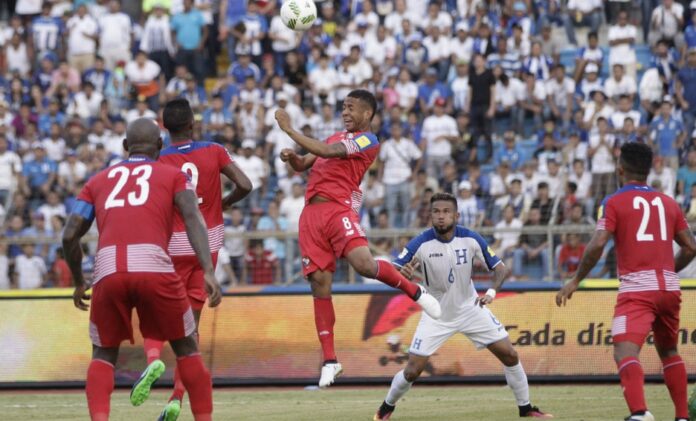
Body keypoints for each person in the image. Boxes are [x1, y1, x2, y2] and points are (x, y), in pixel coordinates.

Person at [274, 89, 441, 388]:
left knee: (364, 264)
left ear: (367, 114)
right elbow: (304, 164)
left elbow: (329, 153)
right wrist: (292, 158)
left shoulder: (368, 140)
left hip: (338, 209)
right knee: (319, 285)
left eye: (351, 107)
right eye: (343, 107)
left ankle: (414, 290)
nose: (345, 112)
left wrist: (289, 130)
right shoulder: (333, 137)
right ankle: (330, 361)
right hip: (311, 215)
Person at [61, 118, 222, 421]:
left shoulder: (97, 181)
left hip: (108, 268)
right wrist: (208, 270)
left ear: (125, 146)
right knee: (187, 347)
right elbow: (192, 217)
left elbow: (69, 235)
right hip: (154, 265)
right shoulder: (174, 176)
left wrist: (80, 281)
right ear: (160, 145)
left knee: (103, 354)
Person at [373, 192, 552, 420]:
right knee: (412, 371)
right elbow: (392, 269)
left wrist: (491, 292)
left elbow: (500, 268)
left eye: (446, 212)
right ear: (430, 215)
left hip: (470, 308)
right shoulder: (420, 242)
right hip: (436, 314)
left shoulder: (471, 238)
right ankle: (385, 408)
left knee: (509, 354)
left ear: (456, 215)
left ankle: (526, 409)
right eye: (436, 212)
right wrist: (402, 274)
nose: (441, 216)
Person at [556, 142, 696, 421]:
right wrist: (667, 269)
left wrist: (576, 279)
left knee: (624, 350)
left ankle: (640, 413)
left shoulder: (613, 201)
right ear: (648, 169)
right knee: (669, 351)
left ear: (620, 169)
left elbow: (598, 243)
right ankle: (682, 417)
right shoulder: (668, 202)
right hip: (669, 288)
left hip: (637, 289)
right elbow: (691, 247)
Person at [140, 99, 251, 421]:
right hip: (208, 244)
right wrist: (225, 203)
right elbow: (245, 184)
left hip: (172, 244)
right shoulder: (214, 150)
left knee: (155, 313)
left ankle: (152, 361)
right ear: (192, 124)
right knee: (190, 327)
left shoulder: (159, 158)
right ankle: (176, 397)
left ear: (164, 128)